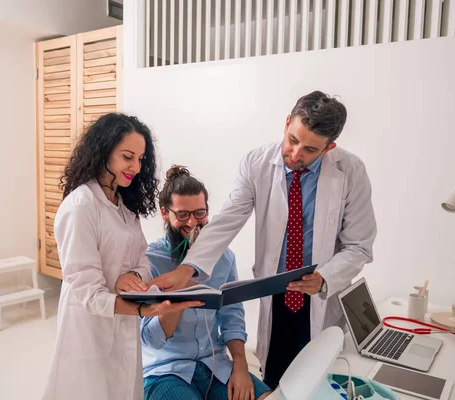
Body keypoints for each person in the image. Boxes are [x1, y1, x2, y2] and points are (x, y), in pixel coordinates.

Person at [149, 91, 377, 389]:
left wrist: (324, 278)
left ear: (329, 147)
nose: (296, 154)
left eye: (309, 149)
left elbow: (359, 245)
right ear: (286, 123)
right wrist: (187, 269)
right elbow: (227, 221)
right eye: (293, 140)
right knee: (276, 381)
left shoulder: (351, 171)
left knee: (317, 382)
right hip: (277, 290)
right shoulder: (256, 164)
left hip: (321, 293)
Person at [43, 114, 202, 400]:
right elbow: (86, 291)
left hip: (123, 325)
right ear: (104, 151)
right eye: (128, 156)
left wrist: (133, 279)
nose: (136, 167)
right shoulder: (81, 206)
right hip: (89, 329)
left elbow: (141, 262)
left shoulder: (124, 208)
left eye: (141, 159)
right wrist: (142, 310)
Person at [141, 165, 271, 400]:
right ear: (164, 213)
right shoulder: (149, 260)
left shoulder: (225, 257)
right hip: (166, 371)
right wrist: (182, 283)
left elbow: (232, 316)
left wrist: (240, 366)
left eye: (200, 213)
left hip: (215, 364)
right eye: (182, 215)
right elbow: (151, 340)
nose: (192, 223)